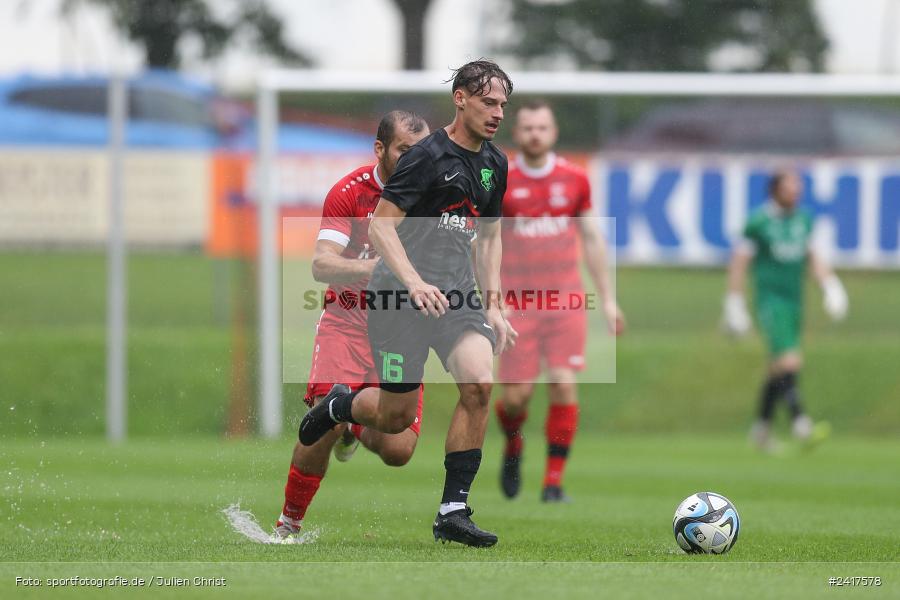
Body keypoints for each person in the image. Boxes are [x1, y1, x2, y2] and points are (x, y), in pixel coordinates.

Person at [299, 60, 515, 547]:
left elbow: (489, 239)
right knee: (395, 422)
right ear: (460, 99)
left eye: (503, 104)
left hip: (455, 295)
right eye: (488, 102)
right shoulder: (425, 157)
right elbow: (381, 226)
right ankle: (340, 405)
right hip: (399, 300)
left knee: (479, 383)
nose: (498, 113)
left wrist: (494, 306)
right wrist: (413, 282)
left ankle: (453, 511)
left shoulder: (495, 164)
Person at [274, 111, 430, 542]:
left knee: (399, 449)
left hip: (400, 328)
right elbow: (321, 264)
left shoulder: (435, 194)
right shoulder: (350, 192)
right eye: (404, 151)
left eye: (421, 153)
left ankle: (351, 416)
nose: (415, 161)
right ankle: (288, 523)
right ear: (380, 149)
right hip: (346, 321)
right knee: (322, 425)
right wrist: (378, 268)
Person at [494, 100, 625, 503]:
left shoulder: (575, 179)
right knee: (515, 398)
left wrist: (608, 299)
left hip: (565, 302)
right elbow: (485, 241)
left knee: (563, 384)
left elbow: (592, 239)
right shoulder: (501, 179)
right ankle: (513, 442)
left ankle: (553, 483)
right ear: (517, 133)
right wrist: (492, 298)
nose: (535, 134)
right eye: (528, 127)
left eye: (542, 127)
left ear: (553, 133)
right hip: (517, 304)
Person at [723, 168, 846, 452]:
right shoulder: (758, 223)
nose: (797, 191)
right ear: (776, 190)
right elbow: (739, 263)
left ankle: (761, 429)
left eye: (798, 185)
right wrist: (734, 303)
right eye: (791, 185)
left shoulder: (804, 220)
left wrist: (830, 285)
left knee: (776, 368)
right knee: (789, 362)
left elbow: (813, 256)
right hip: (771, 300)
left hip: (795, 301)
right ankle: (800, 423)